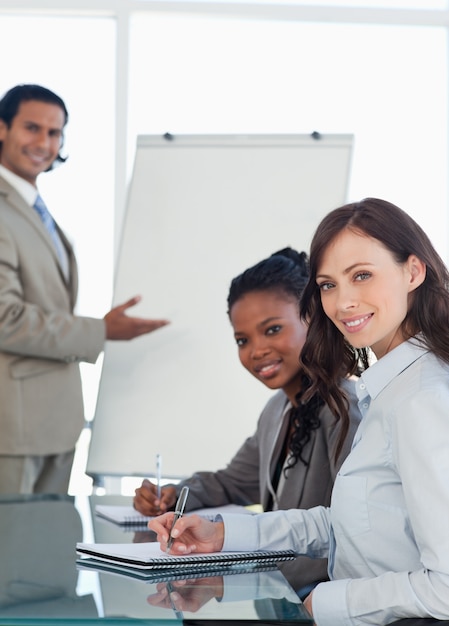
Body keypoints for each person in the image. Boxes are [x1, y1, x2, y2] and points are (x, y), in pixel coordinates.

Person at [150, 198, 449, 625]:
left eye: (361, 276)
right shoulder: (388, 390)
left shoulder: (422, 400)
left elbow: (445, 586)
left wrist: (327, 602)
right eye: (329, 285)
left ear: (413, 271)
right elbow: (349, 526)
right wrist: (223, 533)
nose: (344, 302)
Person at [136, 247, 361, 592]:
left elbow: (354, 532)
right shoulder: (277, 410)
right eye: (243, 340)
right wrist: (172, 496)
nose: (256, 350)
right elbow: (230, 483)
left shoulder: (345, 407)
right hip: (274, 590)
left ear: (313, 318)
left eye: (272, 330)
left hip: (321, 600)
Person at [0, 83, 169, 494]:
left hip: (50, 423)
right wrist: (101, 330)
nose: (44, 142)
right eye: (32, 128)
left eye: (55, 132)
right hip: (14, 428)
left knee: (39, 549)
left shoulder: (32, 206)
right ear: (2, 128)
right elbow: (5, 318)